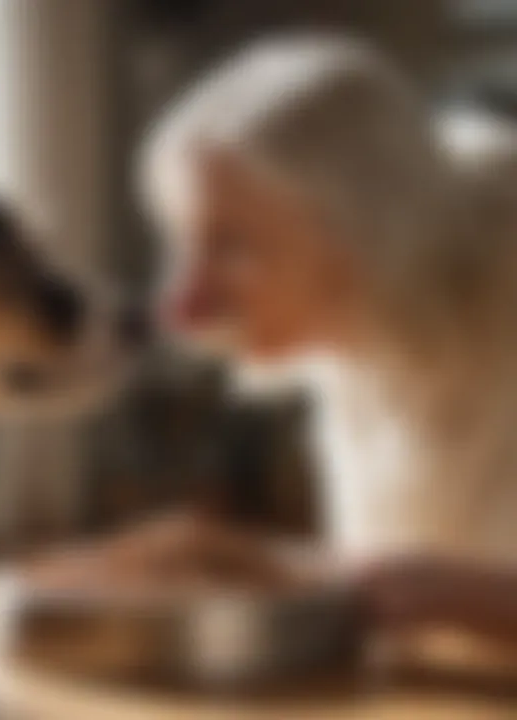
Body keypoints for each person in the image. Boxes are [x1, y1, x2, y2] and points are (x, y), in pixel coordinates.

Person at [137, 35, 517, 649]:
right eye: (182, 242)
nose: (181, 308)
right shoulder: (365, 325)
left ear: (366, 235)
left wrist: (459, 593)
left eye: (233, 247)